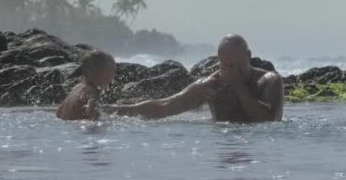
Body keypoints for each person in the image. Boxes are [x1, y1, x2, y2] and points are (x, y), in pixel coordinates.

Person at [103, 34, 284, 122]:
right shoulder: (213, 85)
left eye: (234, 65)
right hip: (225, 145)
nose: (230, 71)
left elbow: (270, 120)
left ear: (248, 56)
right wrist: (115, 110)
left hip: (258, 153)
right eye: (224, 65)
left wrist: (239, 88)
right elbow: (164, 106)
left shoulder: (270, 81)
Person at [57, 51, 116, 120]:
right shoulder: (94, 91)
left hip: (65, 124)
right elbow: (90, 113)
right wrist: (102, 120)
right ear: (104, 74)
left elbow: (59, 111)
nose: (113, 77)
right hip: (77, 126)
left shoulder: (77, 87)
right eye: (112, 71)